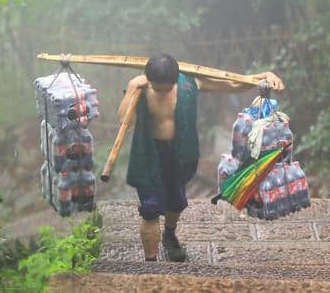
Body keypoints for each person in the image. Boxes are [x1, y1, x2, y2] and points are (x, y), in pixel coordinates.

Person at [117, 54, 284, 262]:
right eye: (156, 88)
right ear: (148, 80)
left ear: (175, 80)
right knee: (150, 208)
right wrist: (132, 88)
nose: (160, 92)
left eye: (166, 88)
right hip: (149, 154)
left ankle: (169, 234)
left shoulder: (189, 83)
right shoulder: (140, 88)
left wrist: (262, 76)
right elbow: (125, 120)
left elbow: (230, 83)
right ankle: (151, 264)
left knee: (176, 202)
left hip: (179, 154)